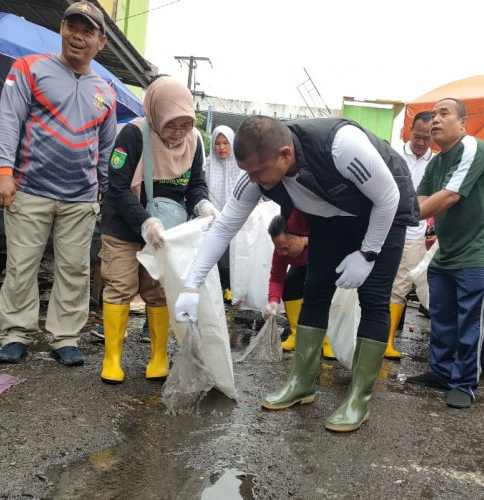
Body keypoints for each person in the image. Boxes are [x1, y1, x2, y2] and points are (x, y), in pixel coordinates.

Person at [175, 115, 419, 432]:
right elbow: (223, 228)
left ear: (285, 155)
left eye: (259, 173)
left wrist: (367, 252)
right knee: (315, 291)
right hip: (331, 217)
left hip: (383, 211)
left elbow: (388, 197)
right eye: (248, 172)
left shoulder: (340, 146)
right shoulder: (257, 172)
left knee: (373, 300)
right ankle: (301, 382)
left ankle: (359, 397)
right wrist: (191, 285)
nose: (253, 180)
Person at [0, 1, 116, 366]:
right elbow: (10, 121)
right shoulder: (29, 69)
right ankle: (15, 334)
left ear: (101, 41)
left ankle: (65, 338)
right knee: (21, 265)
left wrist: (102, 191)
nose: (77, 36)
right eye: (71, 27)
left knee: (75, 269)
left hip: (80, 198)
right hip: (28, 188)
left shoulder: (105, 90)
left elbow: (106, 148)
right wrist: (2, 171)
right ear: (61, 29)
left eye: (87, 31)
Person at [99, 76, 216, 384]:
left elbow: (196, 185)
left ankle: (159, 356)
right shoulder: (134, 135)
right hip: (124, 227)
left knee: (157, 290)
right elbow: (119, 187)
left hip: (168, 232)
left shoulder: (195, 143)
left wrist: (203, 205)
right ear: (155, 115)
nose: (178, 133)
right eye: (170, 125)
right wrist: (145, 222)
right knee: (121, 286)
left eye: (185, 124)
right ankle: (112, 359)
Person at [407, 98, 484, 409]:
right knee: (443, 317)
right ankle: (441, 371)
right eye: (433, 114)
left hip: (479, 253)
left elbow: (448, 197)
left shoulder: (473, 148)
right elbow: (421, 197)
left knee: (472, 322)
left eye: (444, 113)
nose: (435, 119)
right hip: (446, 251)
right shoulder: (436, 161)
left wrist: (397, 216)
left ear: (463, 123)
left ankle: (465, 382)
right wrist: (405, 213)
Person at [385, 111, 434, 359]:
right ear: (409, 131)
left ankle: (387, 341)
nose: (421, 142)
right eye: (417, 136)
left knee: (401, 286)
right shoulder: (391, 154)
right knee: (379, 283)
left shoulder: (436, 162)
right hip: (386, 228)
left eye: (427, 138)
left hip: (415, 232)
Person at [262, 210, 336, 359]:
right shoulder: (281, 252)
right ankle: (297, 334)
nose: (282, 253)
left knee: (319, 292)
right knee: (290, 284)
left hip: (328, 266)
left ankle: (330, 340)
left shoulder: (321, 240)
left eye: (286, 247)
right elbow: (276, 278)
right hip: (302, 266)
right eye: (278, 248)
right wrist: (274, 302)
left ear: (301, 237)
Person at [205, 125, 240, 294]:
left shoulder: (241, 165)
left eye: (225, 143)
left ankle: (234, 289)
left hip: (238, 219)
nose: (221, 148)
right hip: (214, 219)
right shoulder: (208, 164)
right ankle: (220, 289)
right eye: (217, 143)